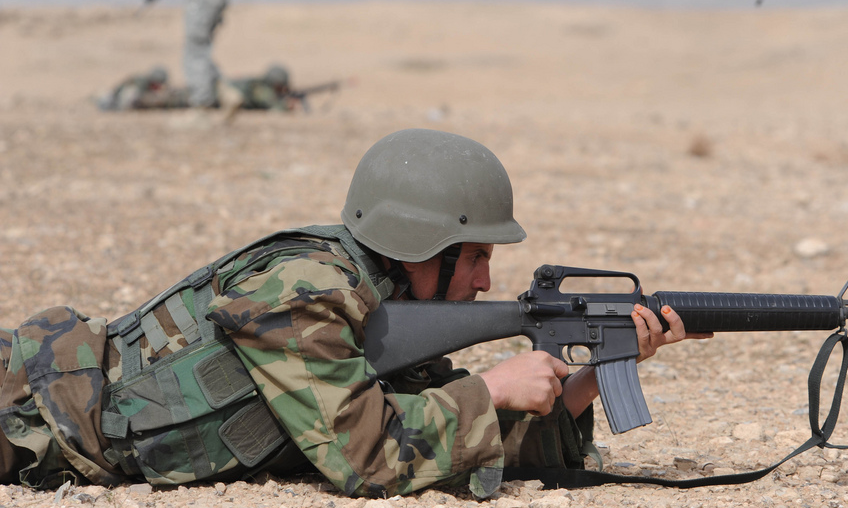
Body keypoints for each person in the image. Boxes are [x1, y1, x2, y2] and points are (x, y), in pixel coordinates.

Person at [0, 129, 704, 496]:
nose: (488, 281)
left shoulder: (384, 310)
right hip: (27, 413)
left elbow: (442, 446)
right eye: (476, 256)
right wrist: (489, 387)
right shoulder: (304, 294)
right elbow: (368, 456)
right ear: (422, 246)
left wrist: (586, 380)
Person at [93, 66, 189, 111]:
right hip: (113, 100)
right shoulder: (138, 86)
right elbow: (127, 103)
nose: (159, 87)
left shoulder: (147, 87)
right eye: (157, 84)